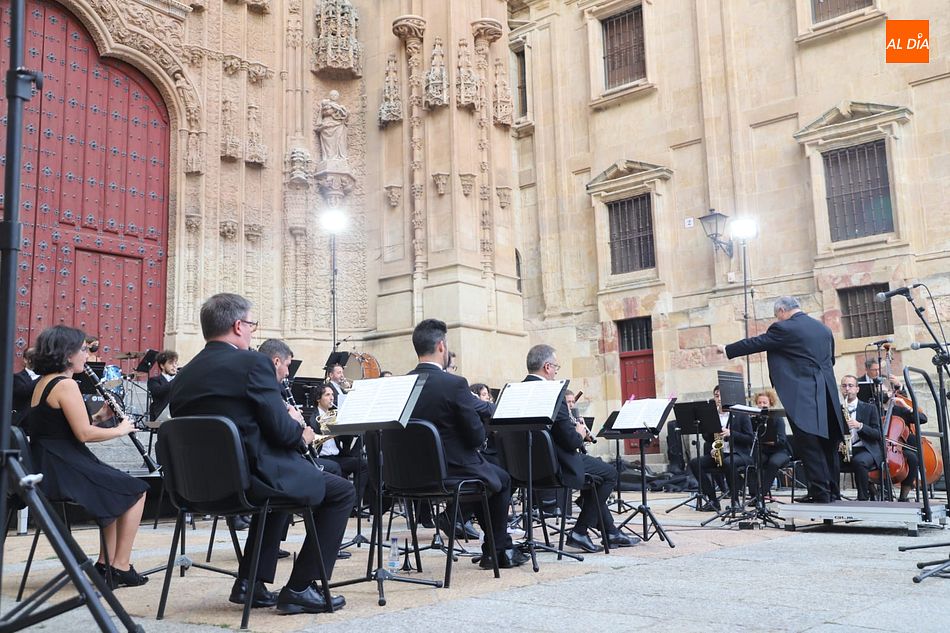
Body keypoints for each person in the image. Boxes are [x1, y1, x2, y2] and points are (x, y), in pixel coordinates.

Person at [170, 293, 354, 614]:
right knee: (341, 491)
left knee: (285, 488)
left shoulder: (184, 374)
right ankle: (301, 588)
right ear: (238, 325)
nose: (253, 332)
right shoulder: (253, 362)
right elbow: (281, 432)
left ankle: (250, 584)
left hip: (194, 485)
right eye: (252, 326)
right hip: (248, 479)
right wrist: (300, 429)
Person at [27, 325, 149, 588]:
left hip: (51, 459)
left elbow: (62, 425)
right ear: (68, 354)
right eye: (84, 349)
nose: (89, 355)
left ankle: (106, 565)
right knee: (137, 491)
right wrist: (120, 429)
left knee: (119, 488)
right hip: (62, 465)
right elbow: (83, 434)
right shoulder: (66, 384)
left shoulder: (44, 382)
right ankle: (120, 565)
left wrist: (99, 417)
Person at [407, 318, 527, 569]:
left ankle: (496, 548)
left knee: (487, 477)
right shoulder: (454, 384)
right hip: (451, 470)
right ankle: (499, 549)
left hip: (408, 475)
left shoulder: (400, 384)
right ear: (441, 346)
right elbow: (474, 438)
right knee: (501, 479)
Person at [724, 296, 845, 504]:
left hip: (805, 395)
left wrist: (727, 349)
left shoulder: (784, 328)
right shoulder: (823, 329)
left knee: (809, 442)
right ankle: (832, 491)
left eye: (776, 315)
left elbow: (757, 342)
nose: (777, 319)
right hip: (827, 392)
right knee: (829, 444)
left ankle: (820, 493)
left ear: (781, 310)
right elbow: (830, 360)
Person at [524, 345, 639, 551]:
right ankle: (580, 530)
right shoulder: (553, 394)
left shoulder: (515, 392)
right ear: (547, 367)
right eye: (556, 367)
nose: (557, 371)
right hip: (556, 465)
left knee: (596, 481)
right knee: (610, 474)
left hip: (524, 468)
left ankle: (610, 532)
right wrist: (579, 432)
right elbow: (569, 441)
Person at [687, 386, 754, 512]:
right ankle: (713, 500)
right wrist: (705, 428)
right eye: (716, 395)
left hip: (739, 453)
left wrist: (731, 433)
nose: (719, 399)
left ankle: (735, 501)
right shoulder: (712, 415)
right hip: (720, 453)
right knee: (695, 463)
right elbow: (708, 438)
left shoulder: (740, 415)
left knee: (729, 463)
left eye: (721, 395)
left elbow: (750, 438)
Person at [839, 375, 883, 501]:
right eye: (844, 386)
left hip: (866, 449)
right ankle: (833, 497)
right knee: (828, 460)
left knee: (860, 462)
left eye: (850, 386)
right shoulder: (837, 410)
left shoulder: (870, 408)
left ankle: (863, 498)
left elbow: (878, 434)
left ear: (857, 389)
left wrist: (860, 426)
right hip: (845, 450)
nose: (847, 389)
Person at [747, 389, 791, 502]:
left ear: (770, 403)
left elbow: (782, 440)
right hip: (763, 450)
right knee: (752, 462)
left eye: (764, 403)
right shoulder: (754, 420)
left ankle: (762, 494)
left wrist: (769, 441)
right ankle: (753, 494)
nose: (762, 405)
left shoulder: (777, 419)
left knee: (774, 463)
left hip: (780, 451)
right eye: (759, 403)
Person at [147, 350, 178, 421]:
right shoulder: (154, 380)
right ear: (162, 366)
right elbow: (159, 391)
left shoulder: (179, 379)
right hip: (161, 415)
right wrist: (178, 379)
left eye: (175, 363)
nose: (174, 366)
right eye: (170, 363)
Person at [12, 347, 38, 427]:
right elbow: (25, 391)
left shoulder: (46, 378)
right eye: (32, 357)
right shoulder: (17, 377)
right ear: (25, 360)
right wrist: (43, 376)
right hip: (24, 423)